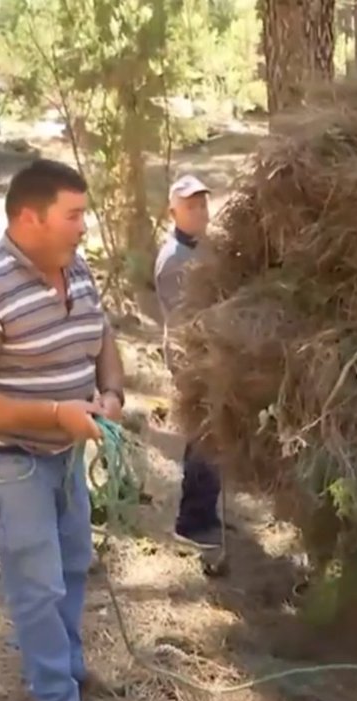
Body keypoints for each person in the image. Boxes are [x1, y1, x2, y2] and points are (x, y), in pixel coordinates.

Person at [0, 158, 126, 701]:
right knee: (39, 579)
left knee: (73, 565)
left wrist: (112, 392)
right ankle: (56, 697)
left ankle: (67, 668)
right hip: (8, 459)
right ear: (28, 217)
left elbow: (104, 337)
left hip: (66, 450)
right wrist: (54, 414)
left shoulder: (76, 268)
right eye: (73, 216)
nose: (83, 227)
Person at [153, 174, 223, 549]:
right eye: (190, 207)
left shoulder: (206, 247)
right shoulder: (174, 261)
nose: (199, 213)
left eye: (202, 205)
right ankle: (191, 521)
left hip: (214, 352)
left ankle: (208, 511)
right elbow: (185, 320)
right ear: (173, 213)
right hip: (191, 357)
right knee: (202, 435)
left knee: (217, 433)